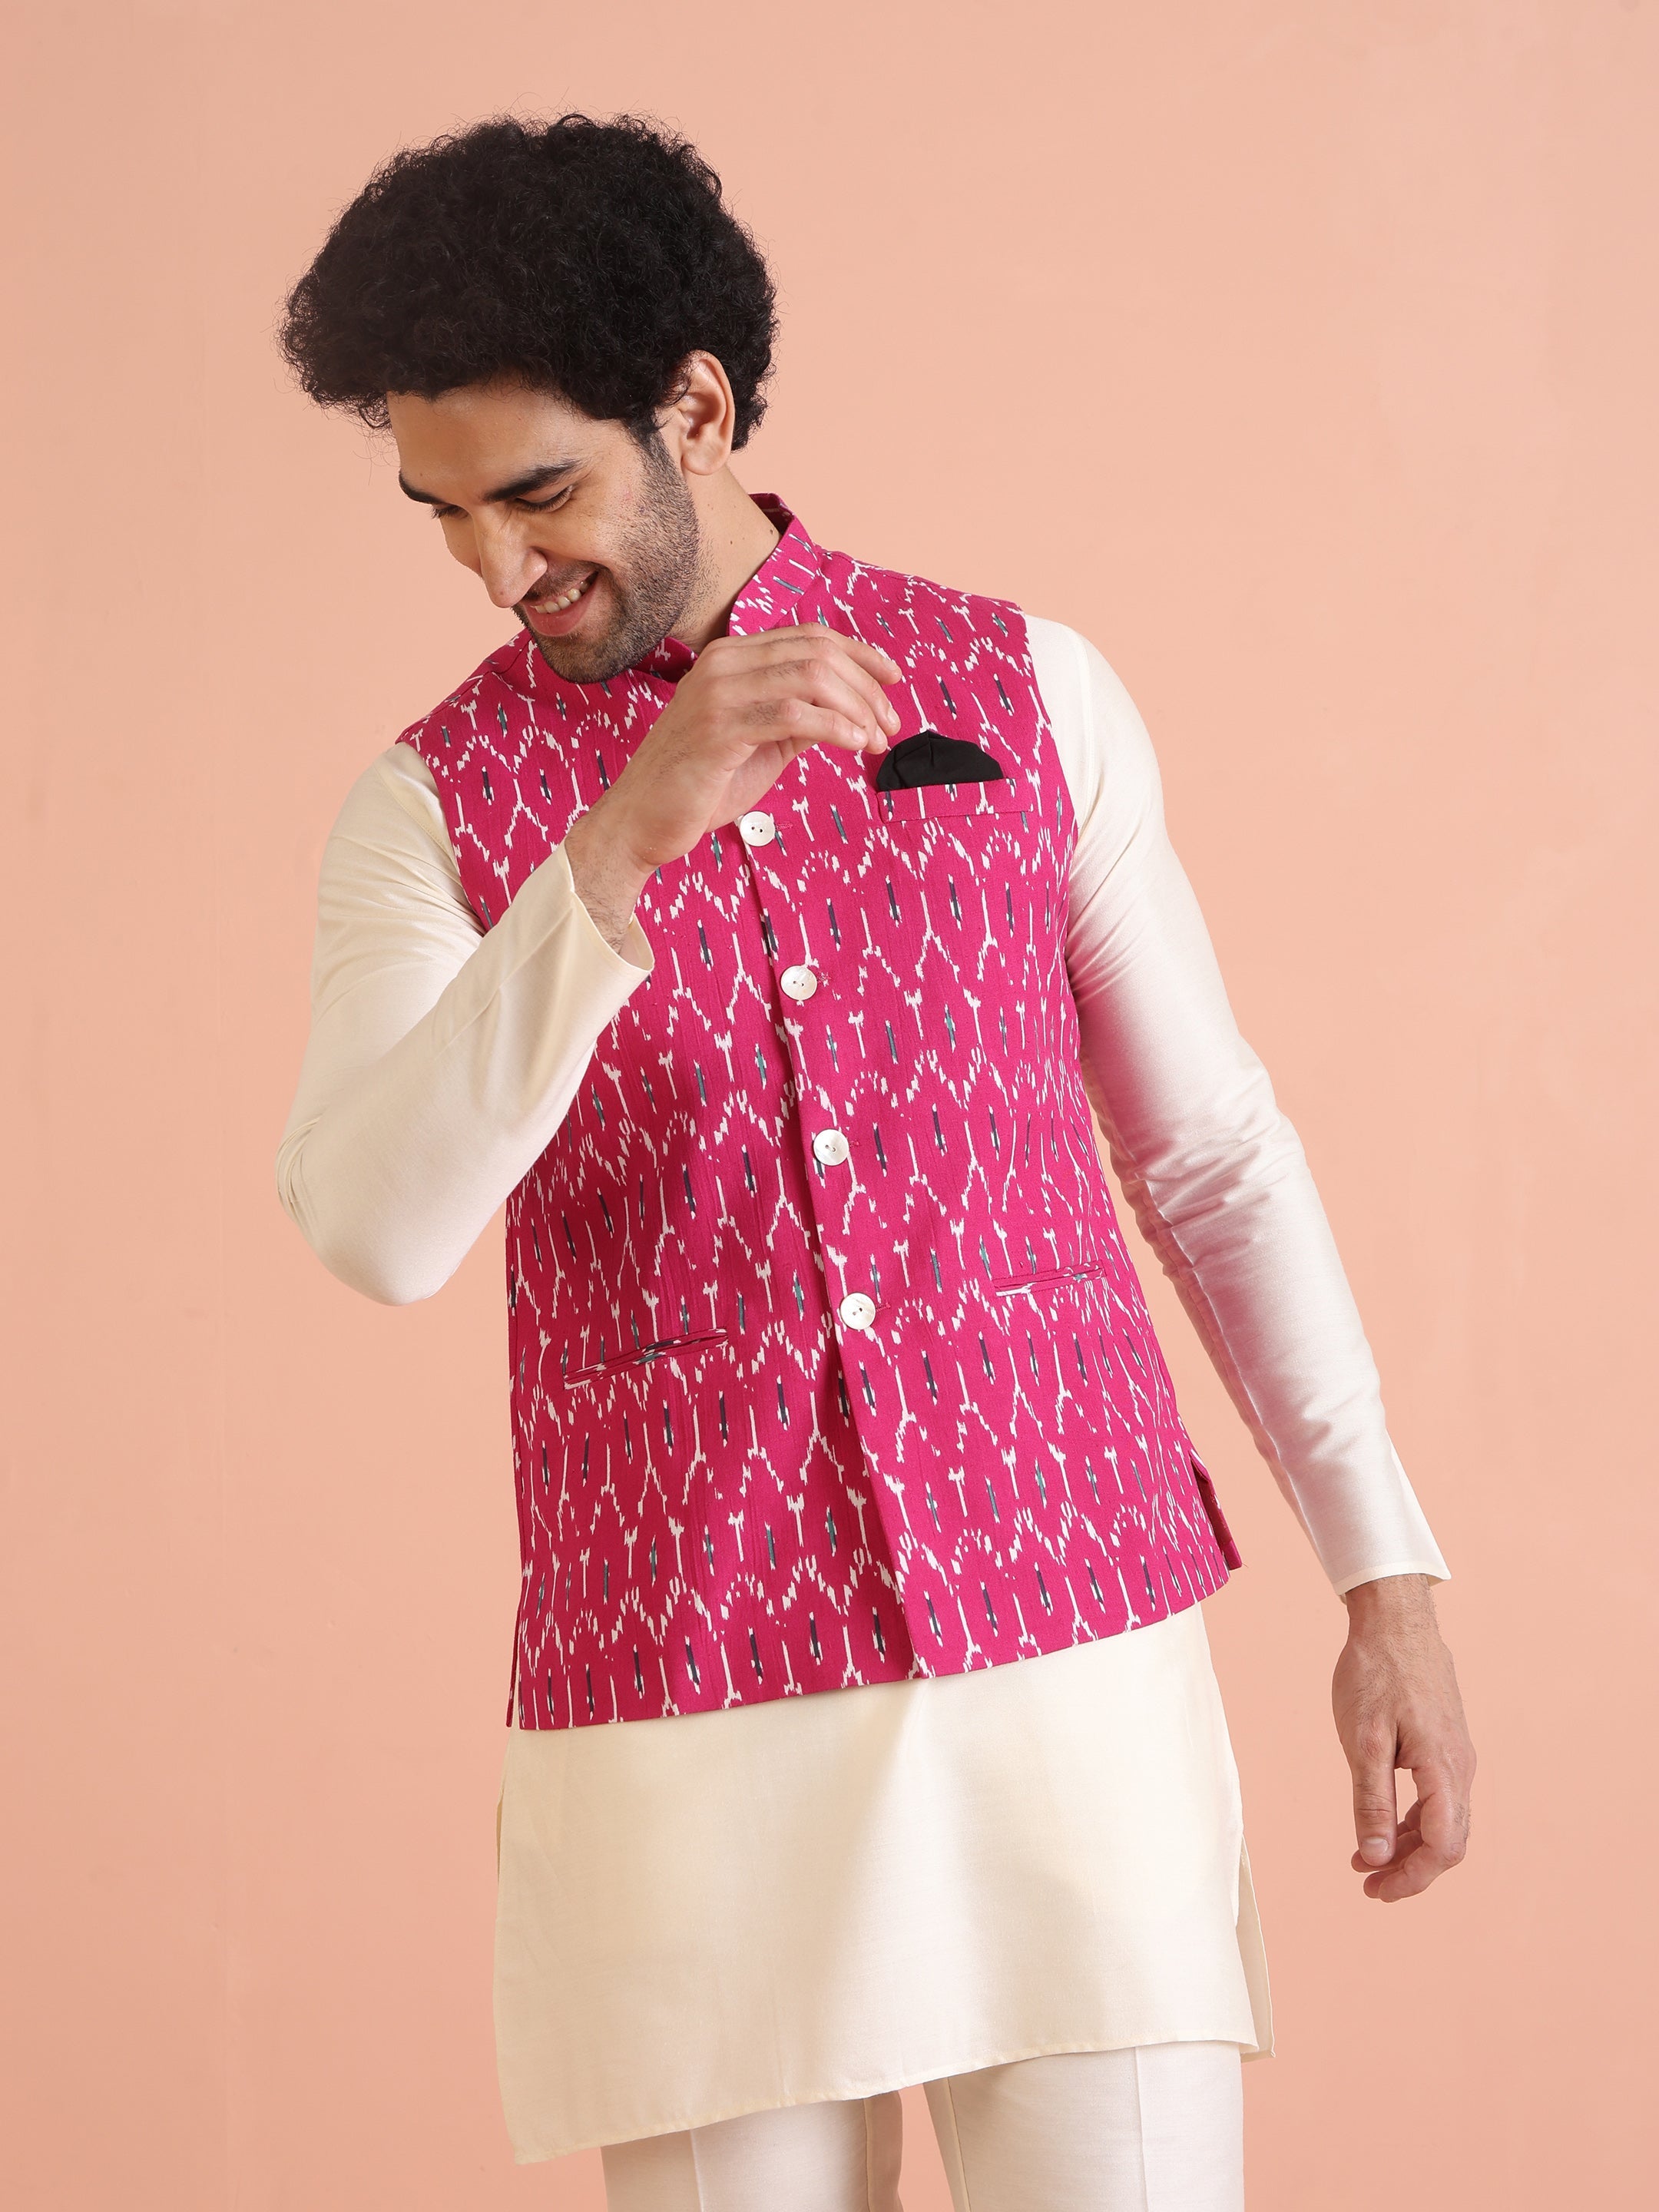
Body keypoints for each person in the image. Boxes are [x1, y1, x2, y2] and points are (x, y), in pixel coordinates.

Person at [274, 113, 1474, 2212]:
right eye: (442, 513)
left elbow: (1211, 1159)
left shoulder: (1028, 692)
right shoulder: (434, 809)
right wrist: (621, 840)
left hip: (1076, 1680)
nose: (495, 570)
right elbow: (376, 1223)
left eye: (538, 492)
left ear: (696, 408)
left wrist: (1390, 1583)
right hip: (687, 1720)